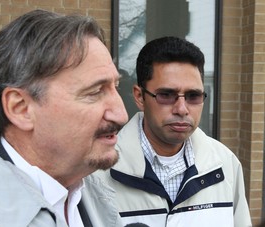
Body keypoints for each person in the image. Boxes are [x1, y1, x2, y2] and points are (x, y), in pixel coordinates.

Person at [0, 9, 128, 226]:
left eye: (116, 87)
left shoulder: (99, 197)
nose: (121, 115)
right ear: (21, 108)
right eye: (95, 92)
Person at [94, 36, 252, 227]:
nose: (182, 109)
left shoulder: (226, 164)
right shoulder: (96, 174)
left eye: (193, 96)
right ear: (139, 97)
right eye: (166, 95)